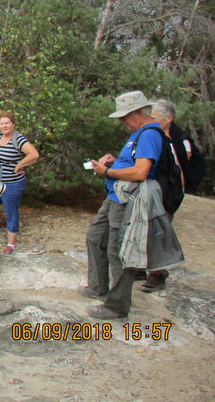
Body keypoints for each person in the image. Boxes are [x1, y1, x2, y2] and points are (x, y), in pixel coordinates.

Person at [79, 91, 163, 319]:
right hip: (115, 197)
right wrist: (116, 163)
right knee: (95, 236)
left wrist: (107, 171)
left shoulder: (149, 134)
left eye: (125, 116)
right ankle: (98, 286)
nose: (121, 122)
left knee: (119, 251)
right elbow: (135, 164)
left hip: (127, 200)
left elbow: (141, 171)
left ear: (137, 112)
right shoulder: (140, 133)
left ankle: (116, 306)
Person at [139, 98, 190, 292]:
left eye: (153, 117)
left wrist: (172, 198)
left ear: (168, 118)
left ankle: (158, 274)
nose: (149, 120)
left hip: (167, 193)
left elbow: (180, 171)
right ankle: (141, 268)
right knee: (144, 229)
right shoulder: (154, 136)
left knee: (160, 231)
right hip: (154, 191)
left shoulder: (177, 141)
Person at [0, 111, 39, 255]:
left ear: (13, 124)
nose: (4, 126)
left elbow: (34, 155)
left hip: (12, 185)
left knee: (11, 212)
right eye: (2, 123)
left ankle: (11, 245)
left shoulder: (18, 139)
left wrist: (19, 165)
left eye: (7, 123)